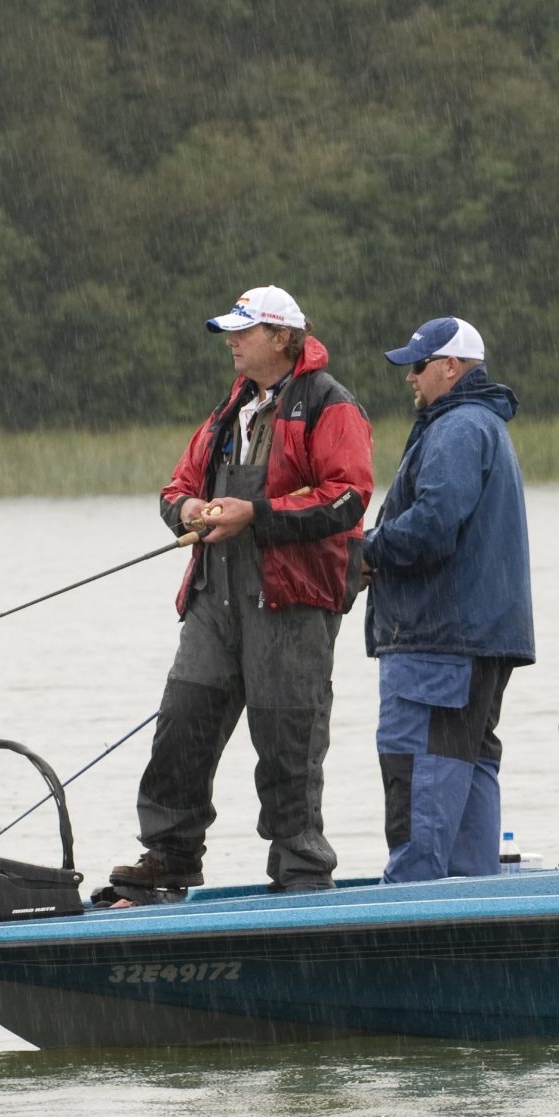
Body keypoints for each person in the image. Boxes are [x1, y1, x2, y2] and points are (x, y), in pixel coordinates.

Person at [109, 285, 372, 898]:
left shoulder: (331, 406)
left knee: (288, 740)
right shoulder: (231, 409)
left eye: (243, 331)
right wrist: (191, 510)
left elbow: (347, 497)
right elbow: (174, 487)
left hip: (292, 602)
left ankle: (301, 871)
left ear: (281, 337)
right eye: (230, 331)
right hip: (215, 598)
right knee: (182, 724)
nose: (231, 341)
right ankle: (171, 857)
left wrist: (254, 512)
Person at [365, 316, 535, 884]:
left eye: (417, 366)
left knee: (417, 766)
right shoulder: (483, 424)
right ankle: (472, 904)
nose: (409, 378)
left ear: (449, 367)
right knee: (470, 765)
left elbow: (435, 525)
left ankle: (413, 907)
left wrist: (366, 551)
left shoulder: (458, 427)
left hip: (437, 640)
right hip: (480, 638)